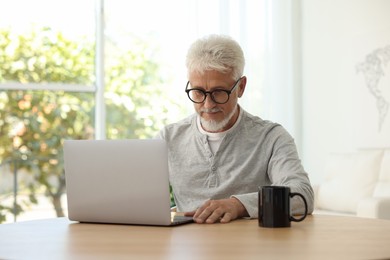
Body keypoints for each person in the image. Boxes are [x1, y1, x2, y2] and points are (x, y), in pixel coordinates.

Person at [158, 34, 314, 224]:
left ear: (240, 87)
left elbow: (302, 196)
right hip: (188, 248)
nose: (208, 104)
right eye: (198, 92)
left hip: (251, 248)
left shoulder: (271, 137)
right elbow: (137, 195)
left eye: (218, 92)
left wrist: (239, 205)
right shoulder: (168, 138)